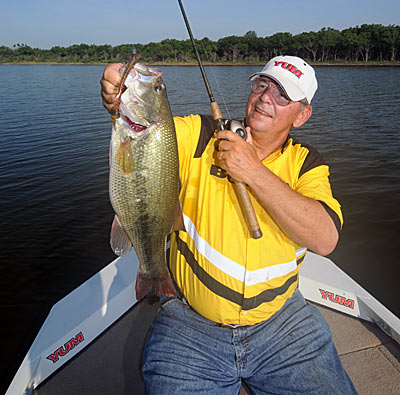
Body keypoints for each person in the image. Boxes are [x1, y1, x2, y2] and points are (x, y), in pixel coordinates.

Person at [100, 55, 357, 394]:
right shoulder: (199, 134)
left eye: (283, 95)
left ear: (302, 115)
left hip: (284, 324)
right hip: (189, 325)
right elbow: (150, 129)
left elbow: (325, 239)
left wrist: (252, 171)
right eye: (262, 85)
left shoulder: (306, 164)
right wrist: (119, 99)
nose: (266, 97)